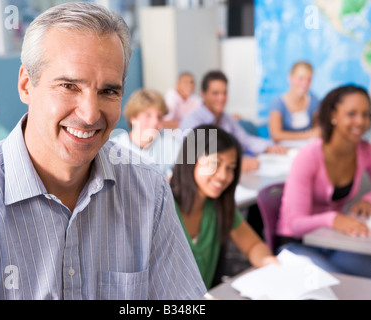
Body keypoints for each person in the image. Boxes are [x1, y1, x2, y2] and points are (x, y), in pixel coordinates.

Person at [0, 2, 206, 300]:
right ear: (27, 85)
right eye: (69, 86)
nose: (90, 115)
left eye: (108, 91)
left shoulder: (148, 191)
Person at [276, 84, 371, 279]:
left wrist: (368, 199)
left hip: (332, 240)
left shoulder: (366, 150)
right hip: (297, 242)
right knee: (338, 286)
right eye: (351, 114)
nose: (360, 121)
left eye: (366, 114)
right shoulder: (309, 156)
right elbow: (295, 224)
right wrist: (333, 219)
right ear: (333, 115)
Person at [170, 124, 279, 289]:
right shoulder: (163, 207)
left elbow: (253, 245)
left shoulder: (217, 205)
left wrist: (267, 261)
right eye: (215, 163)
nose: (223, 176)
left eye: (230, 168)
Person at [179, 70, 288, 173]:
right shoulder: (192, 121)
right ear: (203, 94)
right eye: (215, 93)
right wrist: (235, 165)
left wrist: (269, 147)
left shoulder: (226, 118)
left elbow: (245, 140)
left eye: (224, 93)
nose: (221, 98)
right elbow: (198, 159)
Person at [110, 88, 180, 178]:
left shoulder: (170, 143)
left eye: (160, 116)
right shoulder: (114, 147)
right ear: (133, 118)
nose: (155, 122)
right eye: (148, 115)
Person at [268, 61, 321, 143]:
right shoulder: (278, 103)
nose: (305, 83)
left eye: (309, 80)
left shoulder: (314, 100)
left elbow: (317, 129)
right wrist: (307, 135)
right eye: (300, 79)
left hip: (306, 148)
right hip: (283, 150)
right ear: (290, 77)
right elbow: (276, 135)